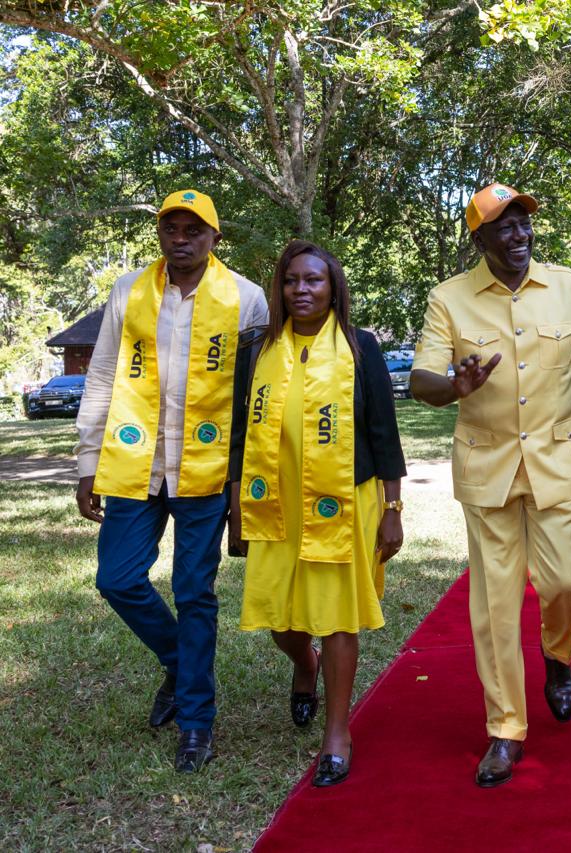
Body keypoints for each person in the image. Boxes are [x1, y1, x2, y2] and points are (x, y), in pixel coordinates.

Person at [410, 183, 571, 788]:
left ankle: (558, 655)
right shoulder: (449, 298)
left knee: (564, 583)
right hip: (487, 468)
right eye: (503, 226)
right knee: (495, 606)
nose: (519, 234)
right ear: (478, 239)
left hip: (559, 462)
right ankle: (505, 728)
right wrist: (456, 387)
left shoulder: (570, 286)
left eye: (523, 223)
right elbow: (422, 378)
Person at [74, 189, 268, 772]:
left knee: (194, 593)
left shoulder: (248, 298)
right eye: (171, 229)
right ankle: (181, 665)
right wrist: (87, 463)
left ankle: (196, 721)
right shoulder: (130, 290)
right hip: (136, 462)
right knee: (117, 579)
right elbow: (105, 370)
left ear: (214, 236)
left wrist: (245, 480)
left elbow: (255, 393)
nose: (180, 240)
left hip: (206, 471)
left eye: (193, 230)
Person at [228, 241, 406, 787]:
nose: (301, 290)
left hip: (344, 499)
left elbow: (384, 432)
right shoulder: (256, 349)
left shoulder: (359, 347)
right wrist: (236, 505)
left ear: (333, 289)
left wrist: (392, 508)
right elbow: (239, 431)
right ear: (279, 289)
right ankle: (304, 664)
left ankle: (337, 732)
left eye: (313, 281)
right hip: (273, 499)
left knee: (335, 615)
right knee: (280, 618)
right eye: (291, 281)